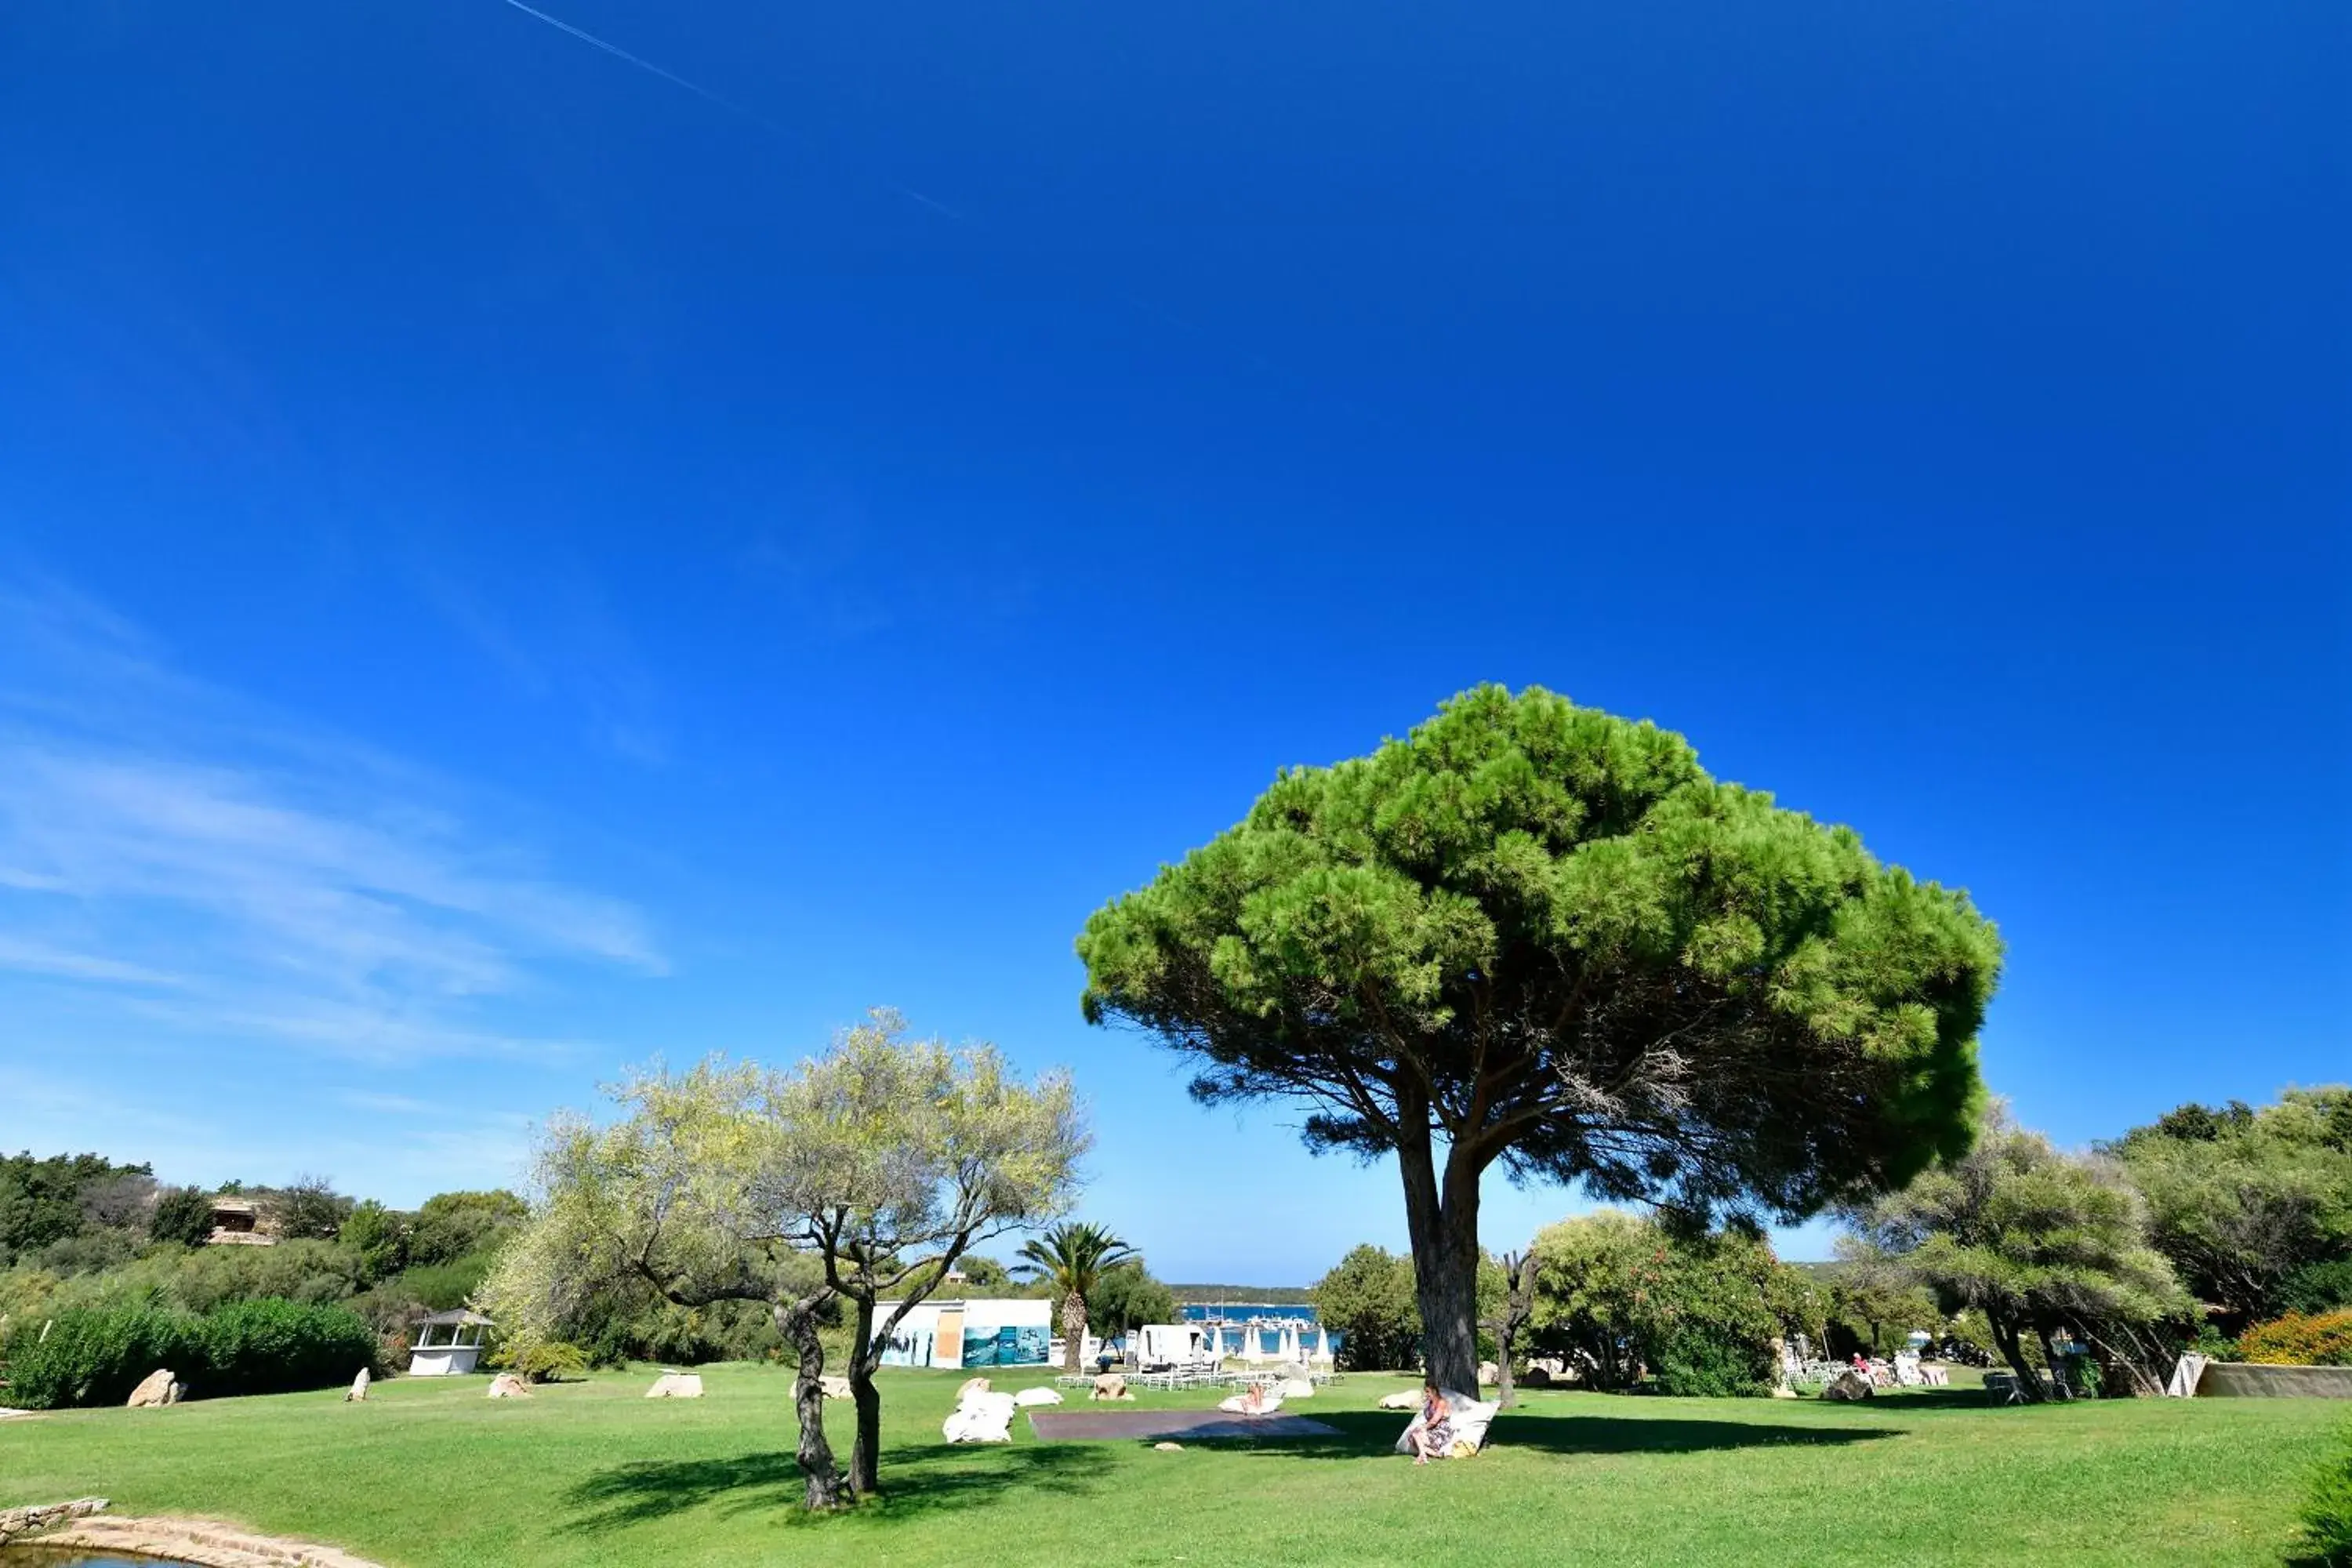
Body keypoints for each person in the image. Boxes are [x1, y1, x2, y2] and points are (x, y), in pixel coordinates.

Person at [1410, 1383, 1453, 1465]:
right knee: (1413, 1438)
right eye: (1425, 1392)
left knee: (1416, 1435)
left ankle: (1422, 1456)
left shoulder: (1441, 1402)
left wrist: (1424, 1428)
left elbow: (1434, 1421)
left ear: (1434, 1391)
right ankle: (1436, 1454)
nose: (1426, 1394)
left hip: (1441, 1431)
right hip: (1432, 1428)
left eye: (1428, 1392)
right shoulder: (1430, 1403)